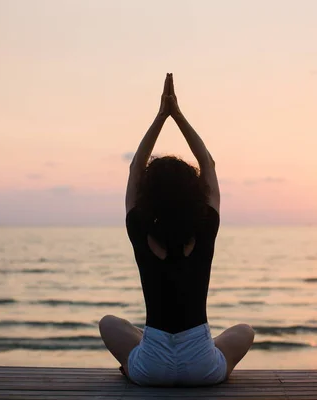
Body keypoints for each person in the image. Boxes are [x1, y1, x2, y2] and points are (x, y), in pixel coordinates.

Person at [99, 73, 254, 387]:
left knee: (110, 323)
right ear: (194, 192)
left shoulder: (139, 229)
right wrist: (178, 116)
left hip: (149, 370)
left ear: (148, 194)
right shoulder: (206, 227)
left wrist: (160, 117)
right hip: (203, 369)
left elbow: (134, 168)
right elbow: (207, 163)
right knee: (244, 331)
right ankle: (199, 362)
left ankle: (132, 368)